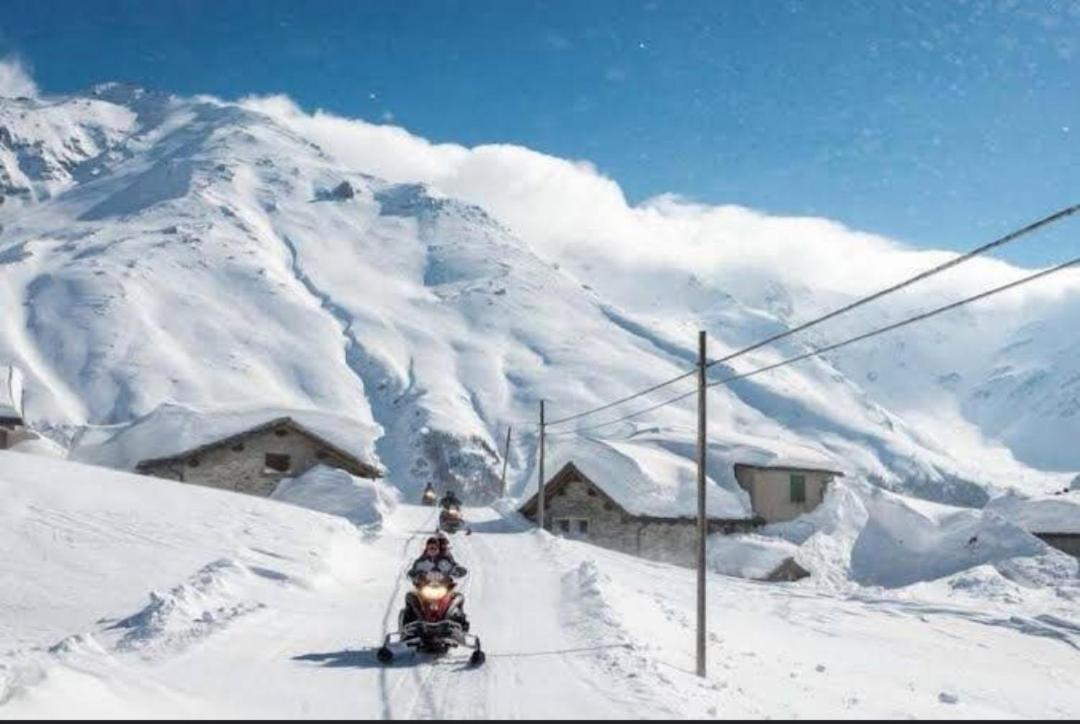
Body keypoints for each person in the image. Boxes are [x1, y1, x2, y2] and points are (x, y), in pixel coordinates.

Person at [400, 536, 469, 630]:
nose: (432, 550)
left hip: (443, 588)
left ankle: (459, 626)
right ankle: (407, 628)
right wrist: (414, 575)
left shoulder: (445, 561)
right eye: (430, 547)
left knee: (458, 598)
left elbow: (454, 568)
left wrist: (457, 571)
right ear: (426, 548)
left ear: (438, 548)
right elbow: (413, 571)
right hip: (425, 588)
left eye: (434, 548)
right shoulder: (421, 562)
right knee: (411, 597)